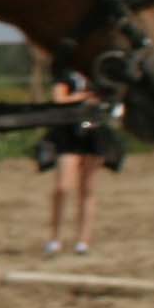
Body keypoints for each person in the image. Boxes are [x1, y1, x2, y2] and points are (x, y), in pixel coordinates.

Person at [41, 70, 117, 255]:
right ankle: (55, 238)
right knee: (63, 187)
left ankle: (83, 241)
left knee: (88, 188)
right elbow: (59, 99)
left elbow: (109, 100)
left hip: (94, 133)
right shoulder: (67, 73)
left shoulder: (101, 73)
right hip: (69, 135)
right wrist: (83, 98)